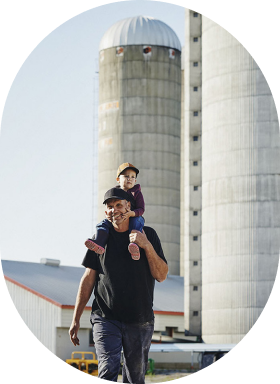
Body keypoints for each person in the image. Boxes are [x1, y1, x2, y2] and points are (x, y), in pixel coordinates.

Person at [69, 187, 168, 383]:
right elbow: (88, 279)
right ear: (106, 212)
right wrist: (76, 318)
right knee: (107, 370)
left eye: (119, 205)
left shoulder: (148, 234)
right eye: (110, 207)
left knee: (135, 377)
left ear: (129, 207)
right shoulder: (100, 240)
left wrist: (146, 245)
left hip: (140, 319)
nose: (115, 210)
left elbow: (161, 275)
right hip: (106, 318)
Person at [85, 162, 145, 259]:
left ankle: (135, 246)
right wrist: (109, 216)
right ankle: (99, 242)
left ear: (135, 180)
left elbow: (141, 209)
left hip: (134, 216)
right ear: (118, 179)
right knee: (103, 224)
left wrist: (131, 213)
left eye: (133, 177)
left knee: (137, 223)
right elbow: (111, 208)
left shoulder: (136, 193)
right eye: (126, 176)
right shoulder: (114, 193)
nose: (130, 178)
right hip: (118, 218)